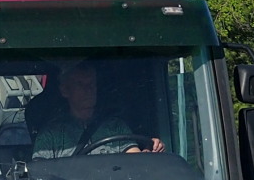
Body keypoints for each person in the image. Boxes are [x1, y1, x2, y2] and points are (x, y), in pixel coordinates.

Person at [30, 63, 164, 159]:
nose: (89, 90)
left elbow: (134, 160)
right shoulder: (50, 135)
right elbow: (42, 175)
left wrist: (149, 154)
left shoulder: (116, 127)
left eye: (92, 84)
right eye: (81, 84)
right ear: (65, 90)